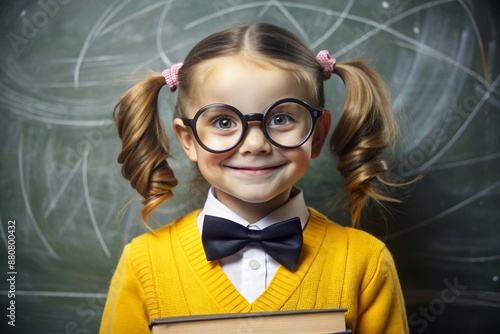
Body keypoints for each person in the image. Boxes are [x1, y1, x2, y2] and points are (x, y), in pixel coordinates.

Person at [100, 23, 409, 333]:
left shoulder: (365, 263)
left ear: (317, 135)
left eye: (281, 118)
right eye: (223, 121)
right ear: (189, 139)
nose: (255, 144)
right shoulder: (143, 263)